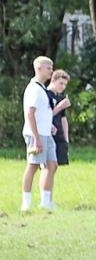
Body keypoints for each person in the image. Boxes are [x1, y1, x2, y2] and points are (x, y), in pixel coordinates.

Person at [20, 55, 55, 212]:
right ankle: (26, 203)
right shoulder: (33, 89)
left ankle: (46, 201)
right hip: (37, 134)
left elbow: (43, 112)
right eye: (49, 68)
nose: (51, 71)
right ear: (39, 68)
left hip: (46, 133)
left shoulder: (43, 89)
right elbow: (30, 114)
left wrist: (51, 126)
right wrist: (36, 138)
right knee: (33, 165)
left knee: (51, 165)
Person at [47, 69, 71, 173]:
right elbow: (45, 116)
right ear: (53, 80)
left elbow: (63, 119)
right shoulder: (45, 95)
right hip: (48, 133)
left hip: (59, 134)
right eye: (61, 83)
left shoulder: (60, 97)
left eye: (65, 84)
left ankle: (48, 188)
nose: (63, 87)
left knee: (55, 165)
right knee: (48, 165)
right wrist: (60, 107)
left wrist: (66, 139)